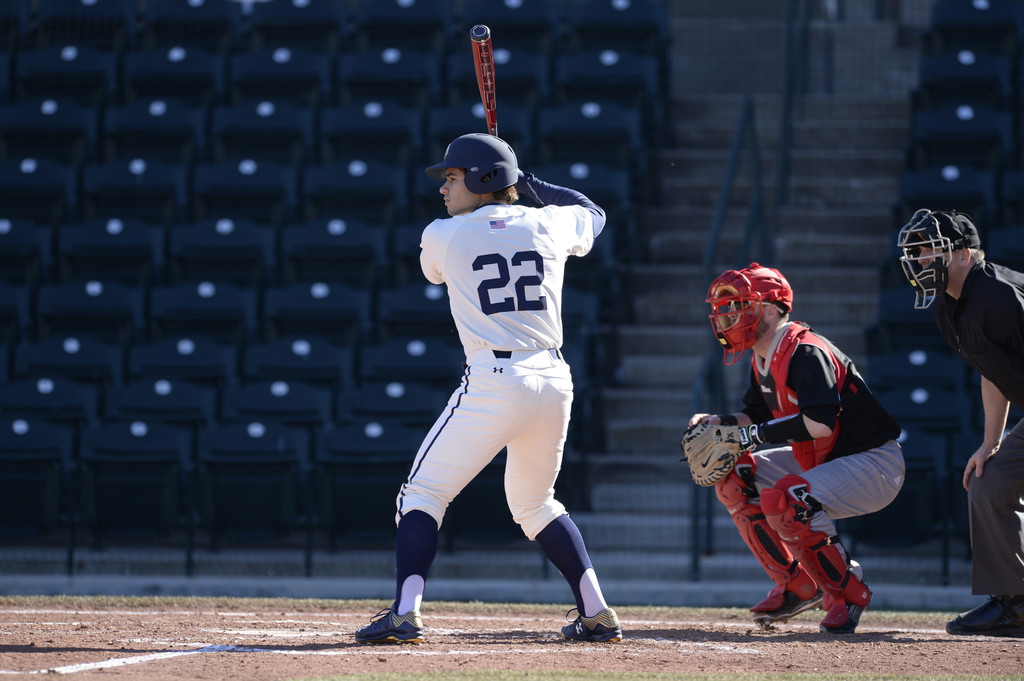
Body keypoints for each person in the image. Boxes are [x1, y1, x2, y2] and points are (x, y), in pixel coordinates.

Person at [354, 133, 621, 644]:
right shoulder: (549, 222)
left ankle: (405, 611)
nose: (443, 188)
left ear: (483, 179)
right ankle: (596, 611)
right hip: (553, 379)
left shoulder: (444, 234)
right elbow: (593, 211)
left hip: (494, 380)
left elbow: (435, 273)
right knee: (536, 504)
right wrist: (529, 183)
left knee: (422, 494)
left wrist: (511, 189)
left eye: (453, 178)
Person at [686, 263, 904, 634]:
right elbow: (756, 416)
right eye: (727, 309)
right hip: (825, 458)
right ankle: (797, 585)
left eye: (741, 306)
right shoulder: (763, 356)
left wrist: (749, 435)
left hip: (874, 463)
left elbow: (820, 423)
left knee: (789, 497)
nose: (730, 317)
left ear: (771, 309)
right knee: (736, 476)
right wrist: (717, 421)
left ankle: (847, 592)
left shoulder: (805, 351)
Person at [896, 208, 1024, 638]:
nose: (919, 261)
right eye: (916, 253)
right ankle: (1015, 604)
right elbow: (994, 371)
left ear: (964, 255)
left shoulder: (999, 296)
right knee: (990, 482)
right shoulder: (948, 308)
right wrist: (990, 443)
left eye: (929, 251)